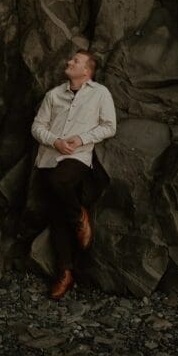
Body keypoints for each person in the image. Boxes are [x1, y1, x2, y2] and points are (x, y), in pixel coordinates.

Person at [31, 50, 116, 299]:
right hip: (49, 157)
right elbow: (37, 127)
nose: (69, 62)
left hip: (78, 157)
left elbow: (109, 126)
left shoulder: (100, 93)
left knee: (60, 182)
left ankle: (80, 216)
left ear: (87, 72)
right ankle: (65, 274)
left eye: (75, 61)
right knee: (56, 214)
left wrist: (81, 138)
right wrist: (55, 141)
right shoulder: (54, 95)